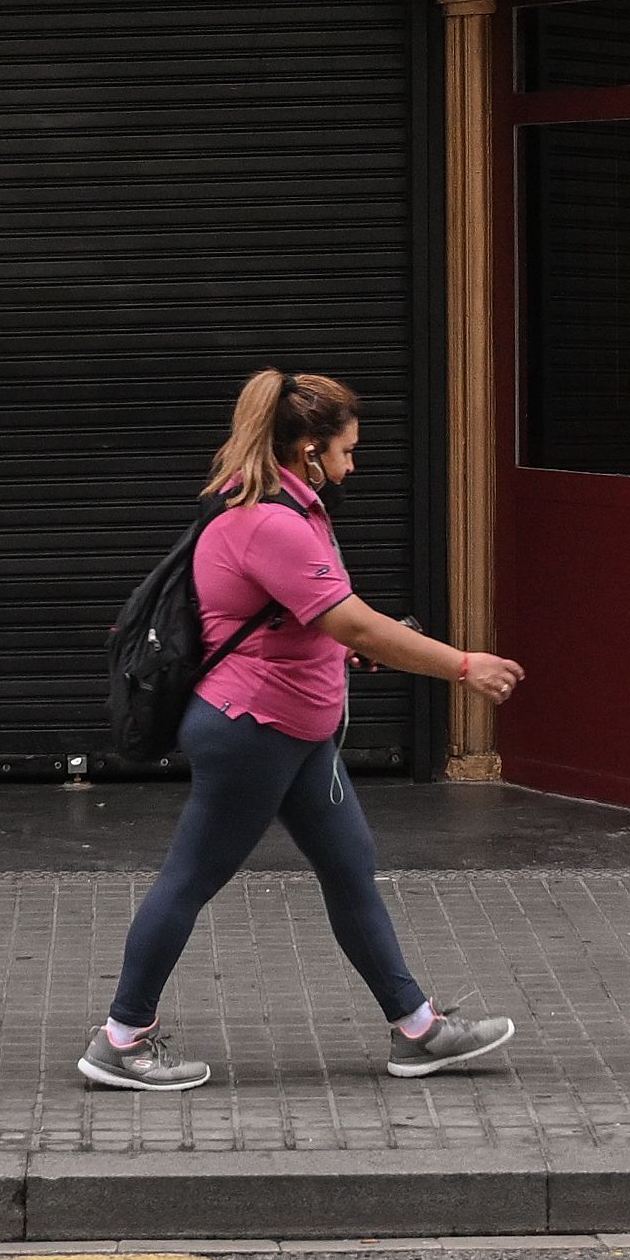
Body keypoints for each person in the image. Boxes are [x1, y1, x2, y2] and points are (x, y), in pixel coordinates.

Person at [82, 367, 525, 1093]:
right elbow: (348, 618)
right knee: (192, 875)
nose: (354, 464)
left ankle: (417, 1028)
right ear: (309, 449)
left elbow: (289, 618)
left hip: (296, 731)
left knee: (350, 862)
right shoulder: (271, 521)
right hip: (253, 731)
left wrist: (338, 647)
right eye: (347, 450)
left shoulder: (285, 507)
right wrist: (463, 664)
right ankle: (121, 1038)